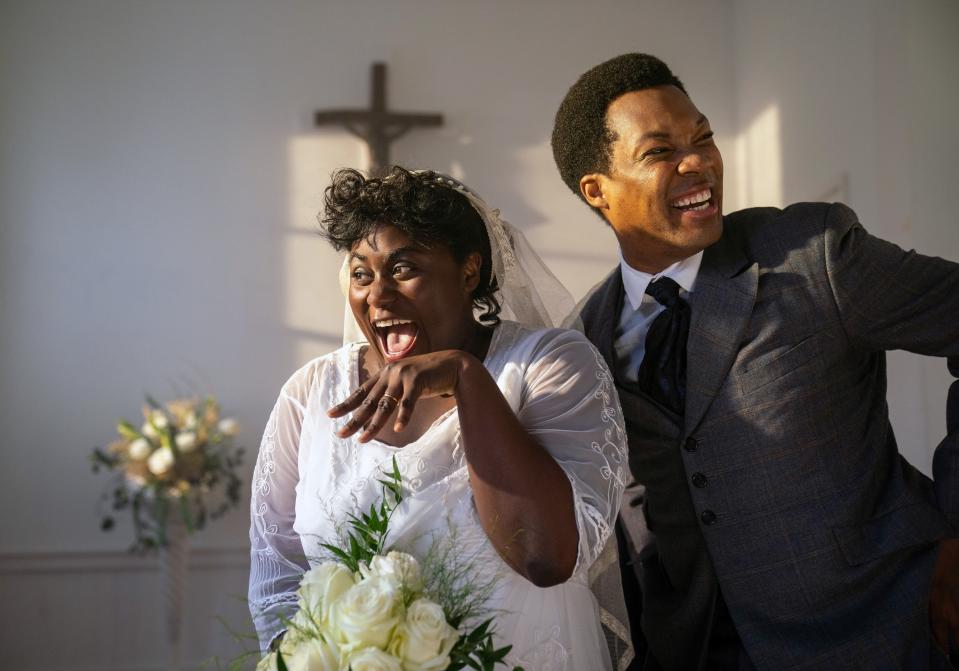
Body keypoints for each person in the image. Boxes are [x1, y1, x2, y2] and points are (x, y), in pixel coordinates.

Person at [551, 53, 959, 671]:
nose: (699, 163)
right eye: (661, 151)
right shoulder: (585, 336)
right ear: (597, 191)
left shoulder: (813, 254)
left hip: (880, 629)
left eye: (704, 138)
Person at [248, 166, 633, 670]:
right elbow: (277, 573)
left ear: (469, 271)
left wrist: (466, 378)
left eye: (403, 269)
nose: (378, 297)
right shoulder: (310, 394)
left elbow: (546, 557)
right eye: (362, 274)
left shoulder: (549, 365)